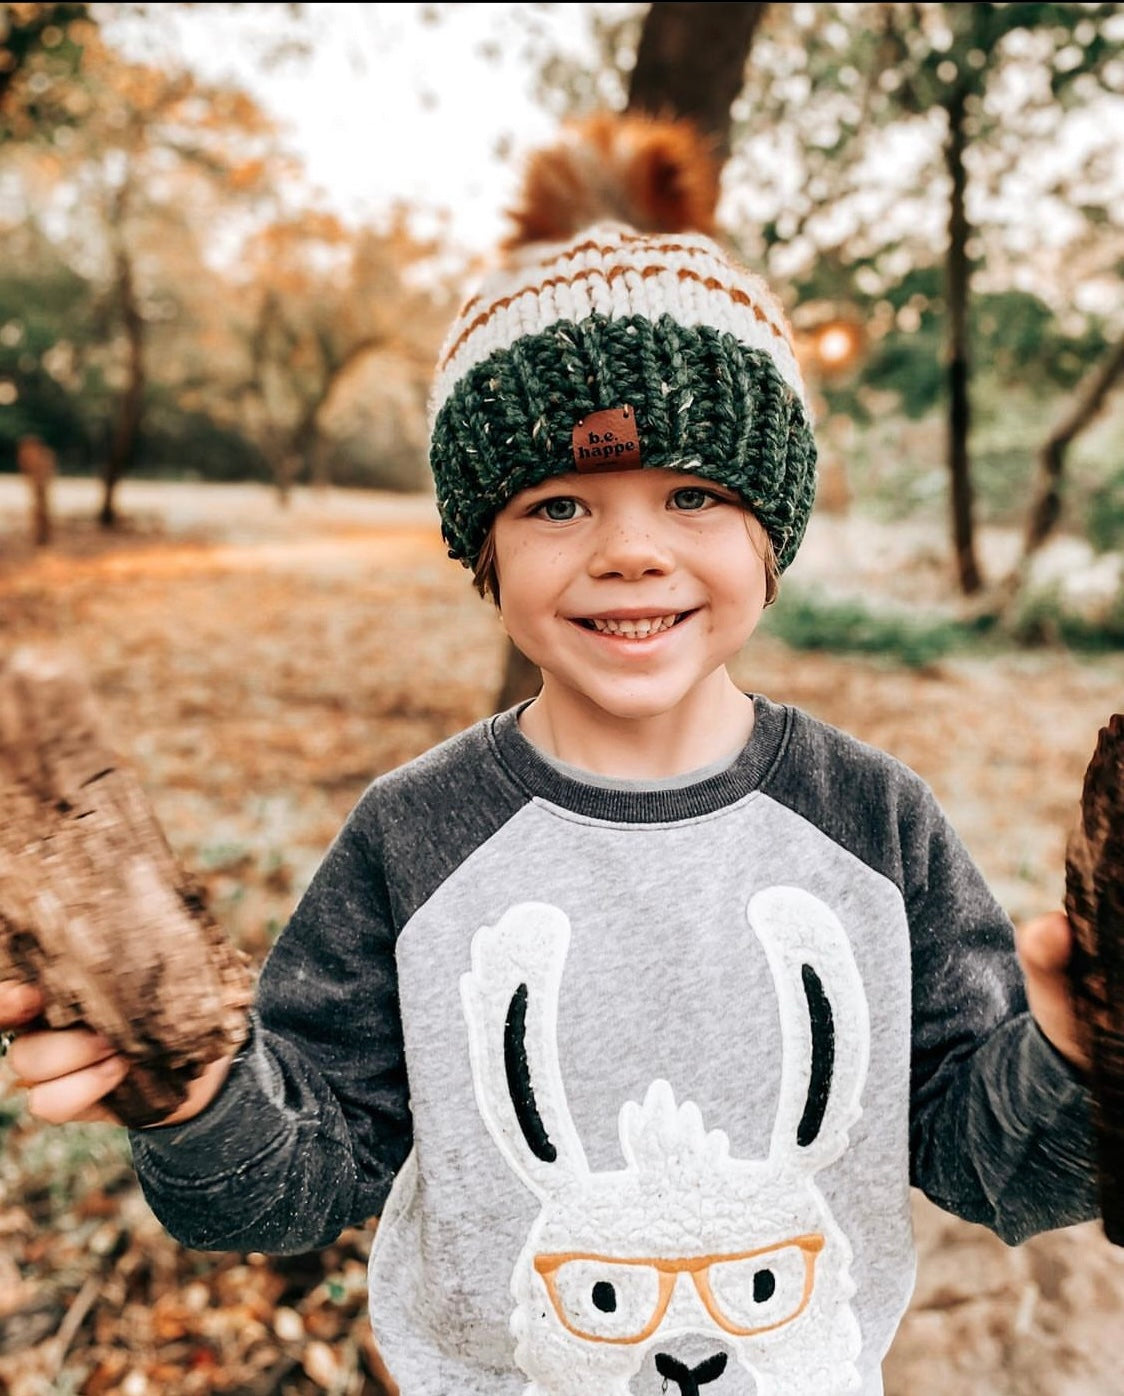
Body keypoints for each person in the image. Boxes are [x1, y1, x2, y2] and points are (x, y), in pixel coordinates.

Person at [0, 114, 1099, 1396]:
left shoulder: (871, 821)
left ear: (772, 534)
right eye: (558, 504)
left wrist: (1079, 1053)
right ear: (485, 552)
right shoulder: (417, 836)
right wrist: (189, 1098)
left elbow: (987, 1152)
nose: (630, 551)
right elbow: (299, 1175)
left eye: (693, 493)